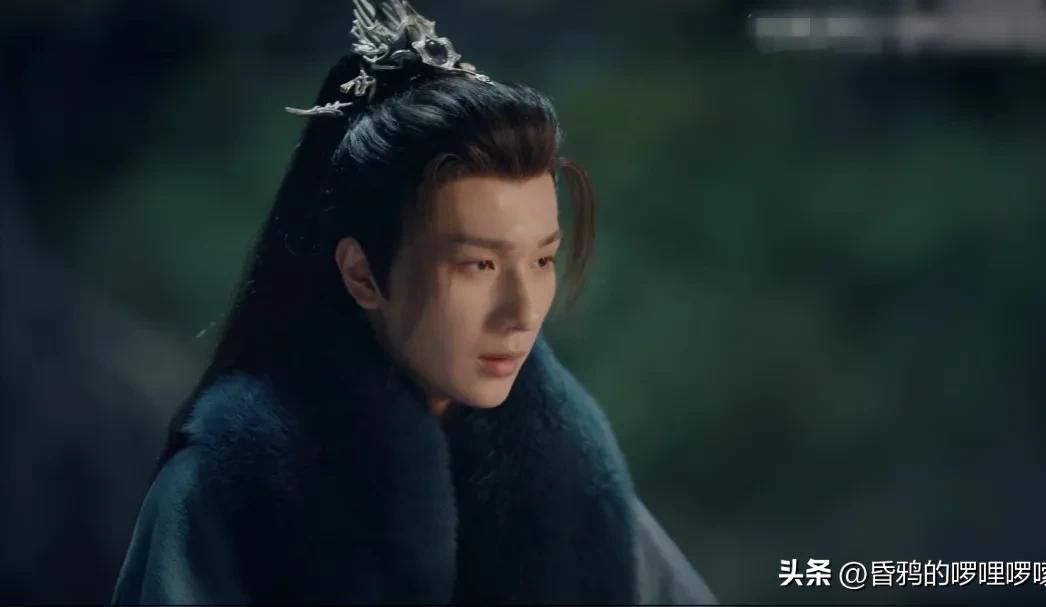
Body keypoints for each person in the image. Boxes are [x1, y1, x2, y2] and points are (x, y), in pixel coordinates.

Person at [110, 0, 718, 604]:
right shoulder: (229, 488)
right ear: (362, 273)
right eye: (478, 265)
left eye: (541, 261)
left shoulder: (571, 475)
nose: (523, 312)